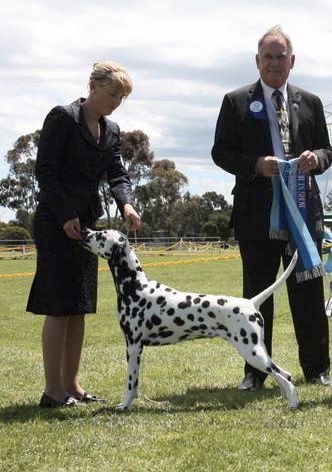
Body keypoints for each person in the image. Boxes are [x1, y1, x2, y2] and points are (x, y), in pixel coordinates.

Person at [212, 26, 332, 390]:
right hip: (256, 214)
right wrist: (255, 164)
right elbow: (221, 153)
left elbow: (328, 150)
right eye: (268, 56)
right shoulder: (235, 101)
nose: (275, 63)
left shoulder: (310, 102)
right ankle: (256, 371)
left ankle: (318, 369)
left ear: (292, 61)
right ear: (257, 60)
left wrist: (317, 157)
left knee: (308, 293)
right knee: (257, 295)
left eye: (281, 56)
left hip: (302, 213)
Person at [26, 61, 141, 407]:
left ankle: (72, 385)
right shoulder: (63, 117)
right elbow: (44, 171)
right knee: (59, 306)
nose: (116, 102)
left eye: (121, 98)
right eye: (112, 94)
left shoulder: (112, 130)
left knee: (79, 307)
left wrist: (127, 205)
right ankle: (52, 390)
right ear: (93, 85)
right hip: (56, 222)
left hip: (87, 225)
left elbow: (117, 175)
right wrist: (64, 215)